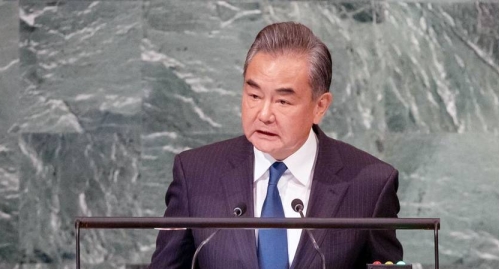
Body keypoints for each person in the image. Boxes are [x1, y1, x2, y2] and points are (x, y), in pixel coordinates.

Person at [149, 21, 402, 269]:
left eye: (282, 101)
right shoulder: (196, 174)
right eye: (254, 96)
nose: (264, 114)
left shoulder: (370, 184)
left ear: (320, 106)